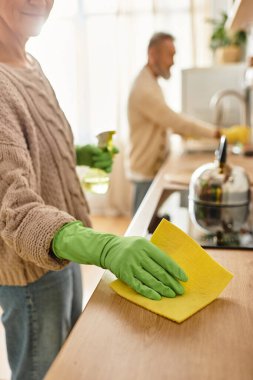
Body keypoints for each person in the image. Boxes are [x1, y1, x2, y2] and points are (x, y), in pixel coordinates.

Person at [0, 2, 188, 380]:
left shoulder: (30, 64)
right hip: (29, 275)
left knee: (69, 364)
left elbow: (26, 145)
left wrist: (78, 152)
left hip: (62, 255)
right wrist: (104, 246)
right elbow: (15, 211)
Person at [127, 32, 250, 214]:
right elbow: (174, 120)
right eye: (170, 54)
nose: (173, 61)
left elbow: (164, 122)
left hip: (151, 167)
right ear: (153, 54)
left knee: (148, 219)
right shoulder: (144, 88)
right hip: (145, 170)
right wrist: (218, 133)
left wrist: (192, 132)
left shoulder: (150, 81)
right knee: (139, 224)